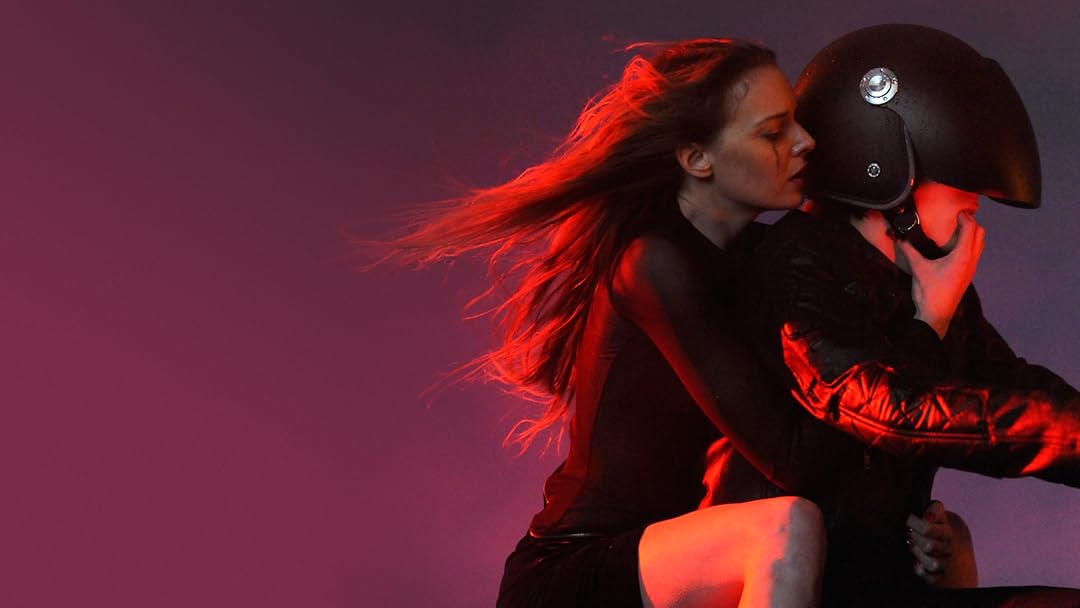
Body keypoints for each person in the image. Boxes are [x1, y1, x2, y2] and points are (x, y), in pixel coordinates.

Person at [373, 37, 974, 607]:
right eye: (773, 132)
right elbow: (797, 459)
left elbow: (832, 419)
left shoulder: (764, 261)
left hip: (694, 560)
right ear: (696, 158)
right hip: (578, 574)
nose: (806, 142)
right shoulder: (654, 263)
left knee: (945, 543)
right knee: (785, 527)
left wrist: (913, 524)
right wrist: (931, 318)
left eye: (796, 121)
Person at [716, 24, 1080, 605]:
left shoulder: (922, 278)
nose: (973, 204)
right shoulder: (797, 267)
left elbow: (1011, 388)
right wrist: (930, 321)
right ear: (883, 169)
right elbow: (883, 403)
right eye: (960, 180)